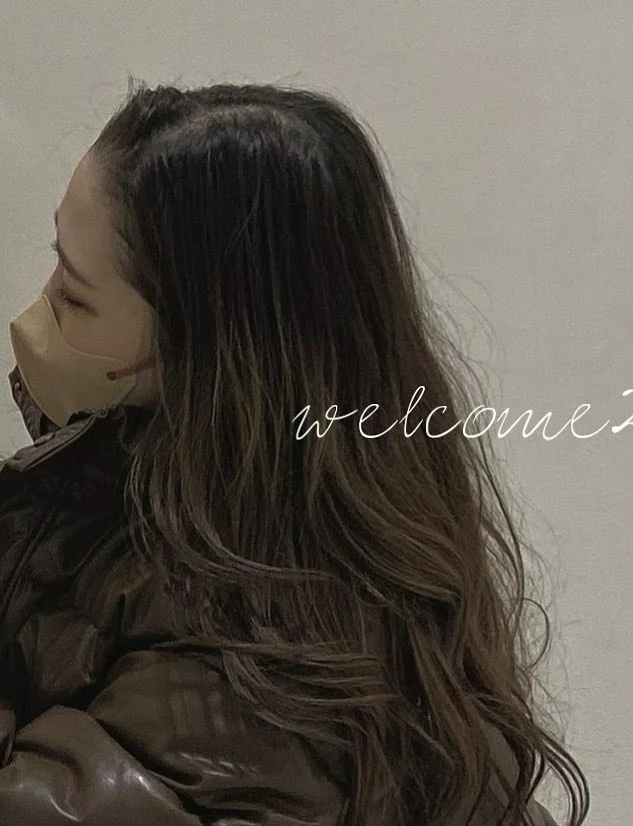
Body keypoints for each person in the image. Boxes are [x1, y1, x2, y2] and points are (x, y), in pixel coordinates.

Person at [0, 78, 589, 826]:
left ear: (204, 340)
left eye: (77, 295)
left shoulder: (249, 643)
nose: (39, 308)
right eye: (58, 259)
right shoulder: (316, 498)